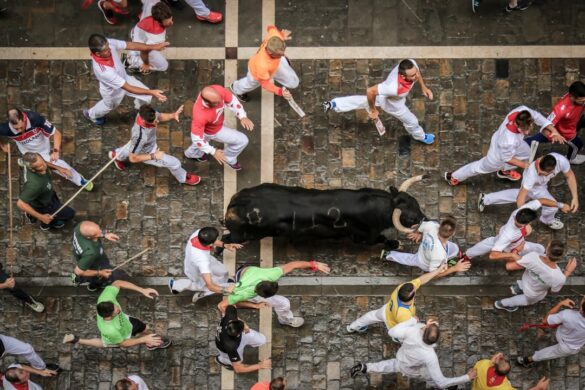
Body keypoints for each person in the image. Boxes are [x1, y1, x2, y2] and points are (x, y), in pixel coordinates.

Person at [323, 59, 435, 144]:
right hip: (394, 105)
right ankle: (421, 137)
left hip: (388, 97)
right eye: (412, 75)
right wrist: (373, 110)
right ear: (402, 76)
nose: (416, 76)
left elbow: (417, 73)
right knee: (412, 122)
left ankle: (334, 104)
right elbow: (370, 91)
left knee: (362, 101)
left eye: (416, 73)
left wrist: (423, 87)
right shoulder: (392, 88)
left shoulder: (410, 64)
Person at [350, 318, 476, 389]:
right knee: (431, 378)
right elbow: (441, 380)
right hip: (414, 369)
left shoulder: (413, 330)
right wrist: (467, 378)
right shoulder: (430, 356)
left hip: (401, 359)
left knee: (386, 365)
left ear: (425, 328)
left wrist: (411, 321)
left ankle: (364, 367)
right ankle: (447, 388)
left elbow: (392, 332)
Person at [445, 106, 556, 185]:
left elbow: (537, 116)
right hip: (497, 156)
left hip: (513, 145)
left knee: (526, 152)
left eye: (528, 128)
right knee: (479, 167)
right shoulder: (508, 140)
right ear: (517, 125)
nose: (527, 133)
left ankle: (505, 171)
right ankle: (454, 176)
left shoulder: (522, 111)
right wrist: (524, 165)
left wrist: (553, 130)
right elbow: (507, 158)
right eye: (524, 130)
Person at [83, 34, 168, 126]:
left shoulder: (108, 43)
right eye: (106, 50)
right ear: (98, 54)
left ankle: (142, 110)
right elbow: (128, 88)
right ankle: (91, 114)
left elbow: (129, 45)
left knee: (146, 96)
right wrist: (152, 92)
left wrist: (153, 47)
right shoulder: (104, 71)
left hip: (124, 78)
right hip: (112, 91)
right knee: (109, 106)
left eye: (108, 46)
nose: (110, 49)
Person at [478, 153, 578, 230]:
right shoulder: (531, 175)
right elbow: (521, 198)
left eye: (541, 173)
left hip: (541, 185)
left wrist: (575, 197)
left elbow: (570, 175)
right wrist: (522, 219)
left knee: (521, 194)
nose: (538, 172)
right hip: (535, 187)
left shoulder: (561, 160)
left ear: (552, 171)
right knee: (551, 207)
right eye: (538, 170)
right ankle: (547, 220)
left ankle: (486, 198)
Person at [217, 260, 331, 328]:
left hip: (245, 274)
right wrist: (238, 321)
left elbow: (293, 264)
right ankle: (286, 320)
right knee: (284, 303)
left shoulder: (271, 274)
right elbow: (221, 306)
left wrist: (314, 264)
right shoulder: (243, 294)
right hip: (243, 282)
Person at [62, 280, 171, 349]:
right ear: (109, 316)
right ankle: (76, 340)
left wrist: (142, 290)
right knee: (104, 343)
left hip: (126, 322)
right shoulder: (109, 330)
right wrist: (142, 340)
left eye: (115, 306)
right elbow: (123, 343)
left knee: (145, 328)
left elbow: (118, 283)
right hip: (120, 336)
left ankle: (152, 340)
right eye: (116, 310)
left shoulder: (105, 298)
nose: (118, 307)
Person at [0, 108, 92, 189]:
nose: (20, 131)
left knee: (62, 167)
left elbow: (56, 133)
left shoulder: (35, 118)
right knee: (32, 182)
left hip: (43, 150)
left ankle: (80, 181)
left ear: (24, 119)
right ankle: (26, 162)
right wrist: (2, 146)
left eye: (21, 127)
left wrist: (55, 151)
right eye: (16, 129)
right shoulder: (5, 129)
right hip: (27, 153)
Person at [108, 104, 200, 185]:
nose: (157, 122)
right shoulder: (140, 137)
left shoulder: (146, 113)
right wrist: (154, 156)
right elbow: (133, 158)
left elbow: (160, 116)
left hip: (143, 143)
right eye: (154, 122)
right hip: (147, 151)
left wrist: (173, 115)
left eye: (156, 119)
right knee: (175, 163)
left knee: (132, 148)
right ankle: (183, 178)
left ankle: (116, 155)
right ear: (144, 122)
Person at [345, 265, 447, 337]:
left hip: (386, 310)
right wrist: (424, 324)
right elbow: (411, 328)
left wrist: (438, 270)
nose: (415, 288)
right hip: (392, 323)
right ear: (411, 298)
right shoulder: (403, 314)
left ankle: (352, 327)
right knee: (402, 337)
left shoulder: (403, 288)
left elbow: (421, 280)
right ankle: (396, 339)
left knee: (371, 316)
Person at [184, 85, 254, 171]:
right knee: (242, 140)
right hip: (213, 130)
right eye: (216, 103)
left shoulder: (218, 91)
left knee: (203, 140)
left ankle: (191, 154)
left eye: (220, 99)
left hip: (214, 124)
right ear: (207, 103)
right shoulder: (200, 116)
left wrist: (242, 116)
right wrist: (213, 152)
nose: (221, 102)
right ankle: (229, 158)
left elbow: (232, 101)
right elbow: (197, 139)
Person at [494, 241, 576, 312]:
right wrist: (567, 272)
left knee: (524, 285)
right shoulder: (559, 277)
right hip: (534, 293)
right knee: (525, 300)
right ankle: (501, 304)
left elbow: (512, 264)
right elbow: (554, 291)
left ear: (547, 250)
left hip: (526, 281)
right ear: (560, 257)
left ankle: (514, 291)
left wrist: (515, 251)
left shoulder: (533, 257)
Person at [464, 200, 552, 262]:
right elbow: (493, 255)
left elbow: (541, 200)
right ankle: (466, 255)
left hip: (512, 238)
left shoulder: (520, 211)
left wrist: (560, 205)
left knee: (491, 242)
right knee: (539, 248)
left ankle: (467, 254)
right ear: (528, 223)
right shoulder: (508, 235)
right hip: (510, 245)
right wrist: (512, 255)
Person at [380, 216, 470, 276]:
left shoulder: (431, 225)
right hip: (424, 262)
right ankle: (388, 255)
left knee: (454, 248)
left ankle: (387, 254)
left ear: (440, 226)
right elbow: (434, 274)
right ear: (453, 233)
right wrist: (454, 268)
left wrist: (418, 232)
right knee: (410, 259)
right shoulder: (439, 255)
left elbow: (417, 226)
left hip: (424, 250)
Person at [168, 226, 239, 303]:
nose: (217, 241)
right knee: (204, 285)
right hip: (197, 270)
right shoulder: (202, 260)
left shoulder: (200, 234)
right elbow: (211, 286)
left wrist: (225, 245)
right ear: (209, 245)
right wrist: (226, 291)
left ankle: (224, 281)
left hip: (204, 260)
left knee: (222, 271)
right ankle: (176, 286)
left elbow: (212, 241)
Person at [230, 25, 297, 102]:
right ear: (269, 52)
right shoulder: (262, 65)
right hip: (256, 73)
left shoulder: (275, 37)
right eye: (279, 55)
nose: (283, 55)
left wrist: (280, 34)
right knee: (249, 84)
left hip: (271, 66)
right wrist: (280, 91)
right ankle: (236, 88)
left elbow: (271, 27)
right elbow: (264, 83)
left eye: (283, 52)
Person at [524, 81, 585, 165]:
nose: (583, 102)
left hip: (574, 121)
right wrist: (555, 134)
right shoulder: (560, 109)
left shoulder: (580, 98)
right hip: (565, 132)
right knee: (578, 144)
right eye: (581, 101)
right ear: (572, 97)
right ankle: (571, 158)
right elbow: (547, 124)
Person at [517, 297, 585, 367]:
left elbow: (545, 321)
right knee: (550, 353)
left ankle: (528, 360)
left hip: (563, 340)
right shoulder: (568, 315)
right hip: (572, 347)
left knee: (546, 353)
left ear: (582, 308)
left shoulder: (567, 314)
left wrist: (560, 304)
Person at [16, 152, 75, 230]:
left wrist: (59, 168)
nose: (44, 166)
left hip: (47, 194)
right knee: (70, 214)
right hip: (43, 204)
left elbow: (43, 163)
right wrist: (41, 217)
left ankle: (32, 215)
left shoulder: (31, 162)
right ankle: (45, 225)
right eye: (40, 166)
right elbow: (20, 203)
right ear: (32, 170)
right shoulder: (34, 185)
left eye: (43, 162)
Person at [71, 221, 128, 291]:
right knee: (100, 276)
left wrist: (105, 234)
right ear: (89, 237)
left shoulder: (80, 227)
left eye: (99, 229)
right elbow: (78, 271)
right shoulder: (91, 253)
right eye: (97, 233)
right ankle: (81, 280)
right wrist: (100, 272)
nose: (101, 231)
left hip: (87, 255)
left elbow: (96, 232)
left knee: (103, 266)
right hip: (92, 261)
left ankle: (86, 281)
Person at [214, 305, 271, 373]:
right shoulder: (231, 346)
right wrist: (260, 365)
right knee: (239, 360)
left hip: (235, 338)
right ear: (238, 334)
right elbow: (238, 369)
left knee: (262, 340)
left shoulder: (230, 316)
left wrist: (245, 325)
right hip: (227, 349)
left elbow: (231, 306)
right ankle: (222, 361)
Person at [125, 1, 173, 74]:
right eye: (168, 22)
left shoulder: (152, 5)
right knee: (164, 66)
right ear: (158, 22)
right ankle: (132, 60)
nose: (171, 23)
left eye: (171, 19)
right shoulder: (156, 38)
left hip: (135, 33)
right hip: (141, 46)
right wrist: (146, 64)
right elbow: (144, 51)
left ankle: (133, 53)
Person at [471, 353, 550, 390]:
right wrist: (538, 388)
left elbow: (476, 368)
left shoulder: (484, 364)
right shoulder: (504, 388)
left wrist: (491, 361)